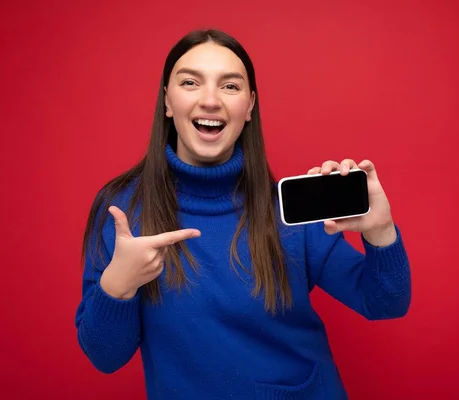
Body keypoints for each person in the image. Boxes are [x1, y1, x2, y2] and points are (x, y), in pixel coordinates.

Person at [75, 28, 411, 400]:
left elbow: (386, 303)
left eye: (230, 87)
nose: (211, 100)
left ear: (249, 107)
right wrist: (118, 285)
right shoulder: (124, 213)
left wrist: (381, 231)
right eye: (190, 82)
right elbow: (104, 357)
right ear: (167, 101)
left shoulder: (291, 213)